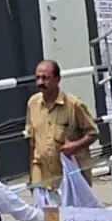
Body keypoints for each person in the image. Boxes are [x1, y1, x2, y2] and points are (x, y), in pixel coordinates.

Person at [24, 58, 97, 204]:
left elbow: (93, 133)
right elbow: (32, 140)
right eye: (37, 78)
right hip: (42, 175)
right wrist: (32, 177)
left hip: (69, 176)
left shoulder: (74, 105)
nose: (40, 82)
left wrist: (75, 146)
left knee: (74, 220)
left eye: (45, 78)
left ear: (57, 79)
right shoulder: (33, 103)